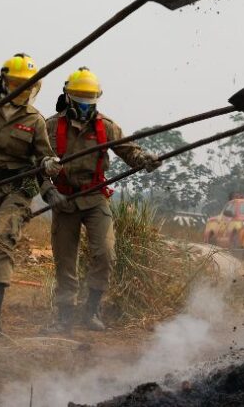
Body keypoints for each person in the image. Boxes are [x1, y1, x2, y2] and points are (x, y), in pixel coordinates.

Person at [40, 67, 161, 333]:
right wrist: (48, 190)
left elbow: (130, 151)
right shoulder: (50, 126)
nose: (84, 104)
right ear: (68, 96)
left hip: (95, 198)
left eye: (89, 98)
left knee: (105, 253)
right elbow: (36, 164)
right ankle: (64, 317)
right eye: (80, 97)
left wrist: (145, 160)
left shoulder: (106, 126)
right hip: (65, 200)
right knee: (65, 261)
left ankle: (92, 311)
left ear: (97, 98)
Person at [0, 54, 61, 341]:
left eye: (26, 84)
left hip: (17, 189)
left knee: (4, 237)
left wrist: (50, 169)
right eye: (15, 82)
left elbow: (44, 158)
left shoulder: (35, 120)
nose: (21, 88)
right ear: (4, 81)